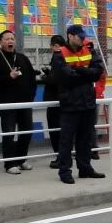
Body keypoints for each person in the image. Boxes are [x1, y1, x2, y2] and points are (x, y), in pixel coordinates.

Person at [51, 25, 106, 184]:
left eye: (83, 36)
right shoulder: (59, 54)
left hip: (87, 103)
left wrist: (80, 70)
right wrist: (86, 73)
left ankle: (85, 168)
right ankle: (64, 171)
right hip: (70, 104)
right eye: (79, 36)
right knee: (66, 141)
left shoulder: (89, 50)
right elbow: (66, 77)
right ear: (70, 36)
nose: (82, 39)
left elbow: (98, 72)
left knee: (85, 139)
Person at [0, 30, 38, 175]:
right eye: (7, 39)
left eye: (12, 39)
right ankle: (9, 163)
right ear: (0, 42)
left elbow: (32, 79)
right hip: (7, 103)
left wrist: (31, 97)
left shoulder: (22, 58)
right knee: (9, 133)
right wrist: (9, 77)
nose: (10, 41)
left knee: (26, 131)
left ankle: (21, 159)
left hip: (25, 103)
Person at [40, 35, 65, 168]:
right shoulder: (66, 56)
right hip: (63, 99)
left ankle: (60, 157)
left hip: (54, 99)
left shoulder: (57, 57)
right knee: (62, 129)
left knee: (55, 130)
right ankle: (63, 156)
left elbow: (55, 80)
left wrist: (44, 77)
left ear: (53, 45)